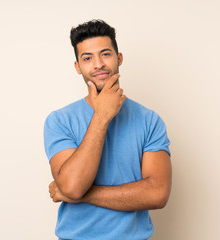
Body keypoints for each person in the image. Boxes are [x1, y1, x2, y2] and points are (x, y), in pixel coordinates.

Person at [44, 19, 172, 240]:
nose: (98, 64)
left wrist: (83, 196)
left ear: (119, 58)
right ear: (77, 67)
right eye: (87, 58)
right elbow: (73, 187)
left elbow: (157, 194)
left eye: (105, 54)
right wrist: (102, 116)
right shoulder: (59, 121)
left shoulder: (149, 120)